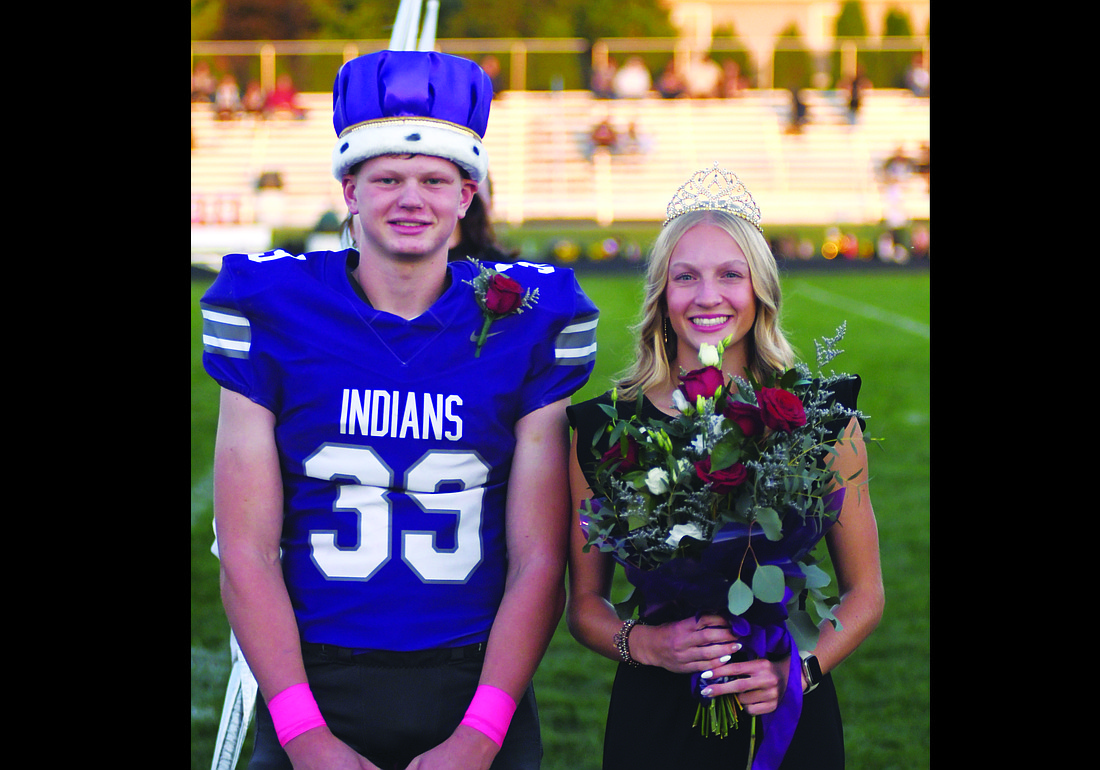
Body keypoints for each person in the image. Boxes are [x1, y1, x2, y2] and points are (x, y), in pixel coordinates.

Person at [202, 49, 600, 770]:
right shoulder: (274, 309)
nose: (409, 198)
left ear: (467, 195)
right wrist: (304, 734)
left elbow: (539, 559)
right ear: (349, 189)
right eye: (386, 178)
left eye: (433, 180)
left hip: (473, 677)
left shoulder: (527, 322)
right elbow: (247, 550)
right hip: (312, 673)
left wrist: (481, 736)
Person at [564, 165, 884, 769]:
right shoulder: (603, 430)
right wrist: (647, 644)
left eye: (730, 275)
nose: (707, 296)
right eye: (685, 277)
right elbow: (585, 606)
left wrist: (796, 669)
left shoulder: (821, 419)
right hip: (656, 716)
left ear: (760, 289)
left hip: (784, 708)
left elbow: (865, 592)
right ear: (661, 294)